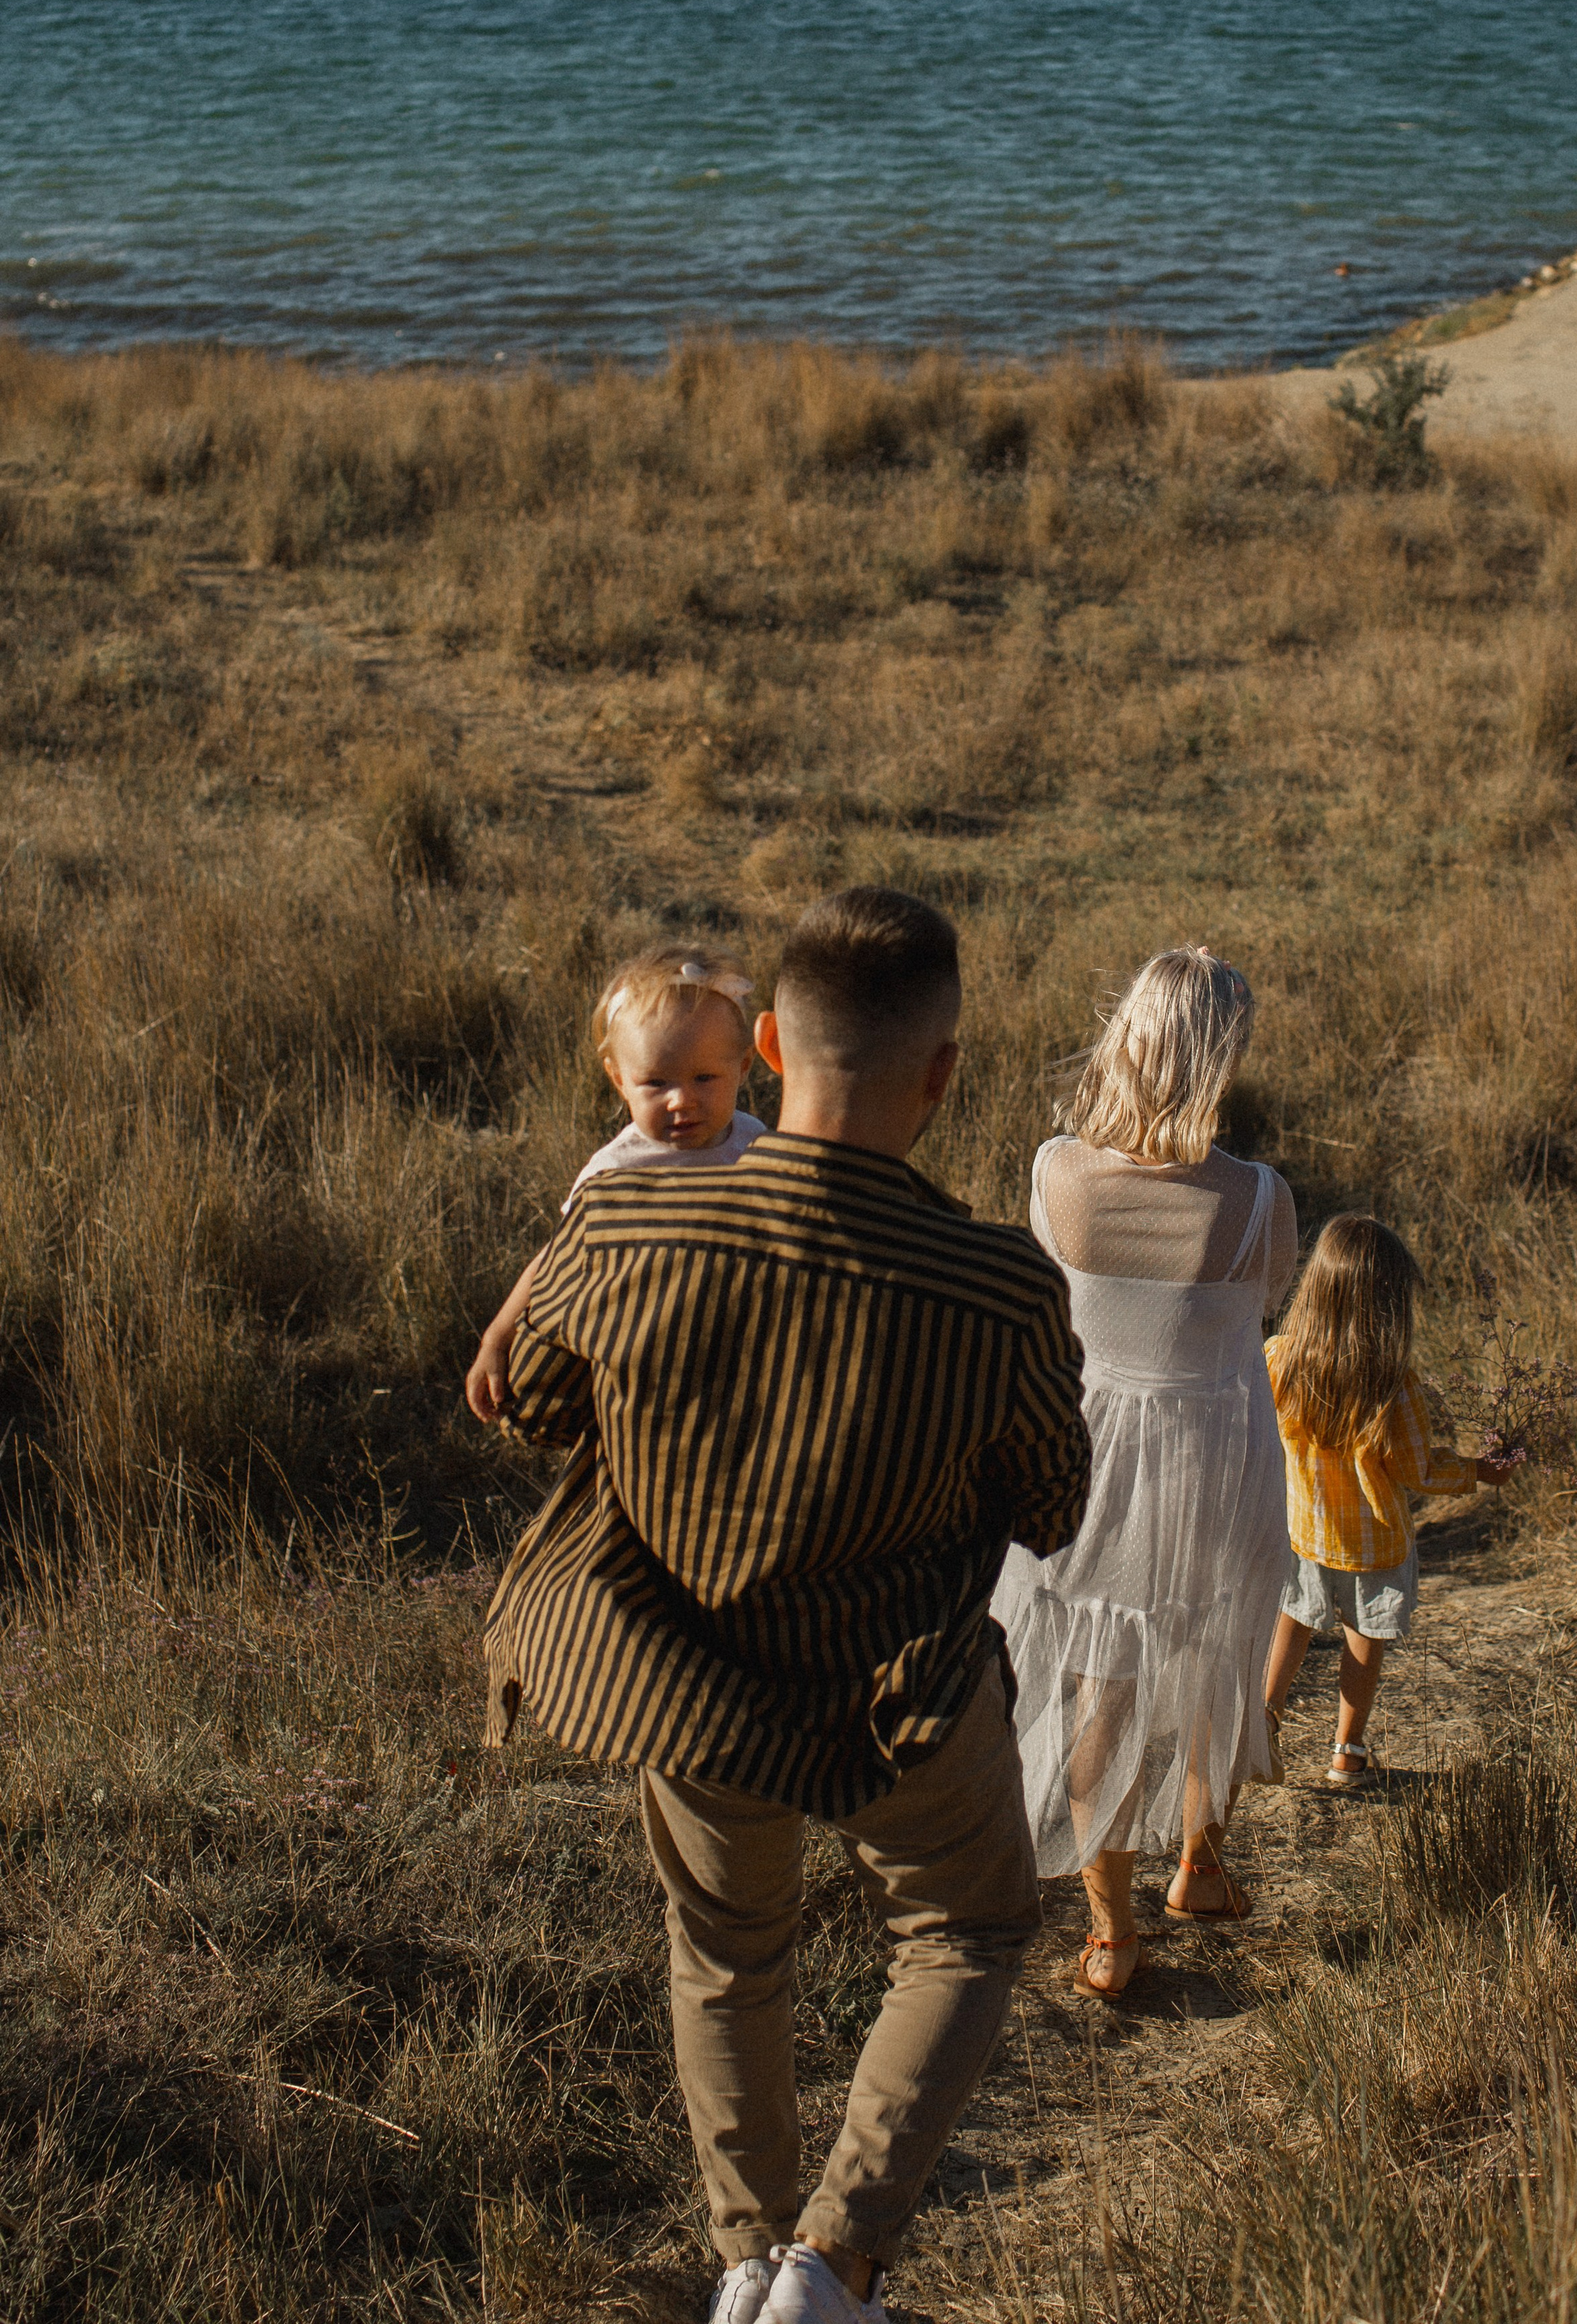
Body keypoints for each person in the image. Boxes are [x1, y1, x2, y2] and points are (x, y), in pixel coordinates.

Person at [480, 889, 1091, 2324]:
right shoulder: (999, 1287)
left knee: (727, 1955)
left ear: (762, 1043)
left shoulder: (626, 1217)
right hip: (902, 1695)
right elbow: (1051, 1507)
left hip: (684, 1682)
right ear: (941, 1072)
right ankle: (839, 2260)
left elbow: (541, 1402)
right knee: (966, 1930)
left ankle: (749, 2254)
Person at [993, 947, 1296, 2002]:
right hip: (1216, 1456)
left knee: (1099, 1693)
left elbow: (1047, 1307)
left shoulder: (1058, 1174)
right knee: (1214, 1657)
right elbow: (1264, 1308)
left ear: (1127, 1037)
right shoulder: (1258, 1198)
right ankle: (1199, 1865)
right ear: (1223, 1059)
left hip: (1091, 1463)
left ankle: (1112, 1933)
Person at [1261, 1215, 1519, 1789]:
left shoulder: (1280, 1359)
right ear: (1386, 1309)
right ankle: (1347, 1754)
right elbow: (1419, 1469)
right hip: (1374, 1544)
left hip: (1302, 1530)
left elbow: (1256, 1427)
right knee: (1363, 1640)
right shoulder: (1394, 1386)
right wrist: (1479, 1470)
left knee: (1292, 1622)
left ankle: (1263, 1725)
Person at [464, 945, 766, 1421]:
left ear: (744, 1066)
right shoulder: (614, 1172)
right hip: (649, 1350)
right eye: (655, 1083)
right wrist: (499, 1335)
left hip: (745, 1340)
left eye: (705, 1077)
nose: (681, 1100)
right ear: (619, 1079)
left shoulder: (754, 1143)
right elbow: (558, 1257)